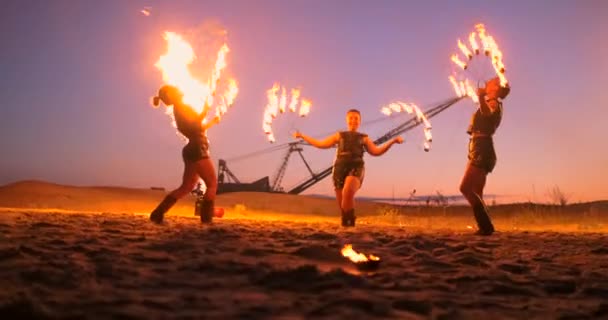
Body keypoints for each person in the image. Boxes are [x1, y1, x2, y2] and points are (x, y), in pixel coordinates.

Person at [293, 109, 403, 227]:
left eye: (356, 118)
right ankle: (348, 227)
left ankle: (349, 223)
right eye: (351, 117)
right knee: (343, 208)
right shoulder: (339, 135)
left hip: (356, 167)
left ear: (359, 121)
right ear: (347, 120)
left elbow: (376, 152)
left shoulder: (364, 138)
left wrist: (393, 142)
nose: (353, 120)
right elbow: (321, 144)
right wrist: (303, 136)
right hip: (339, 169)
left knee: (348, 191)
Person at [149, 85, 220, 224]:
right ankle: (207, 222)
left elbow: (196, 128)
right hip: (197, 148)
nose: (179, 89)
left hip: (192, 148)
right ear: (171, 95)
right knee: (212, 184)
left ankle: (157, 214)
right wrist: (205, 109)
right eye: (175, 90)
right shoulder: (181, 107)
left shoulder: (178, 109)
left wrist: (212, 122)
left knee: (186, 187)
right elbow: (195, 122)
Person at [459, 77, 510, 235]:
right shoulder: (490, 102)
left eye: (493, 82)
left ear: (497, 89)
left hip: (483, 149)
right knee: (476, 191)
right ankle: (485, 228)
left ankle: (486, 227)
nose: (488, 82)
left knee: (465, 188)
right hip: (479, 148)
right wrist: (481, 97)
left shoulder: (493, 103)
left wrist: (481, 97)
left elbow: (487, 113)